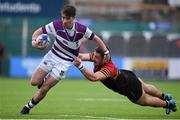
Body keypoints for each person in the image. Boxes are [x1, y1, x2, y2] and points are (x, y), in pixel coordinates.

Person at [20, 5, 110, 114]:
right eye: (63, 17)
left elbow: (96, 39)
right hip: (52, 55)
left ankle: (27, 107)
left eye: (67, 18)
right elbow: (37, 32)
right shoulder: (56, 25)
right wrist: (34, 43)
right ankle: (43, 81)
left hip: (65, 62)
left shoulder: (82, 29)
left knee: (45, 88)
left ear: (73, 18)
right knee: (34, 82)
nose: (64, 21)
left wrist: (106, 52)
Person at [73, 47, 177, 115]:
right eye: (94, 56)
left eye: (96, 57)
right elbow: (81, 56)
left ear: (104, 59)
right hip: (128, 75)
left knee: (145, 101)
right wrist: (69, 54)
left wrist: (80, 66)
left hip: (129, 86)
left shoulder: (108, 69)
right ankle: (165, 96)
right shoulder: (101, 57)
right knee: (145, 86)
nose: (93, 58)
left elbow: (93, 78)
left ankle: (169, 104)